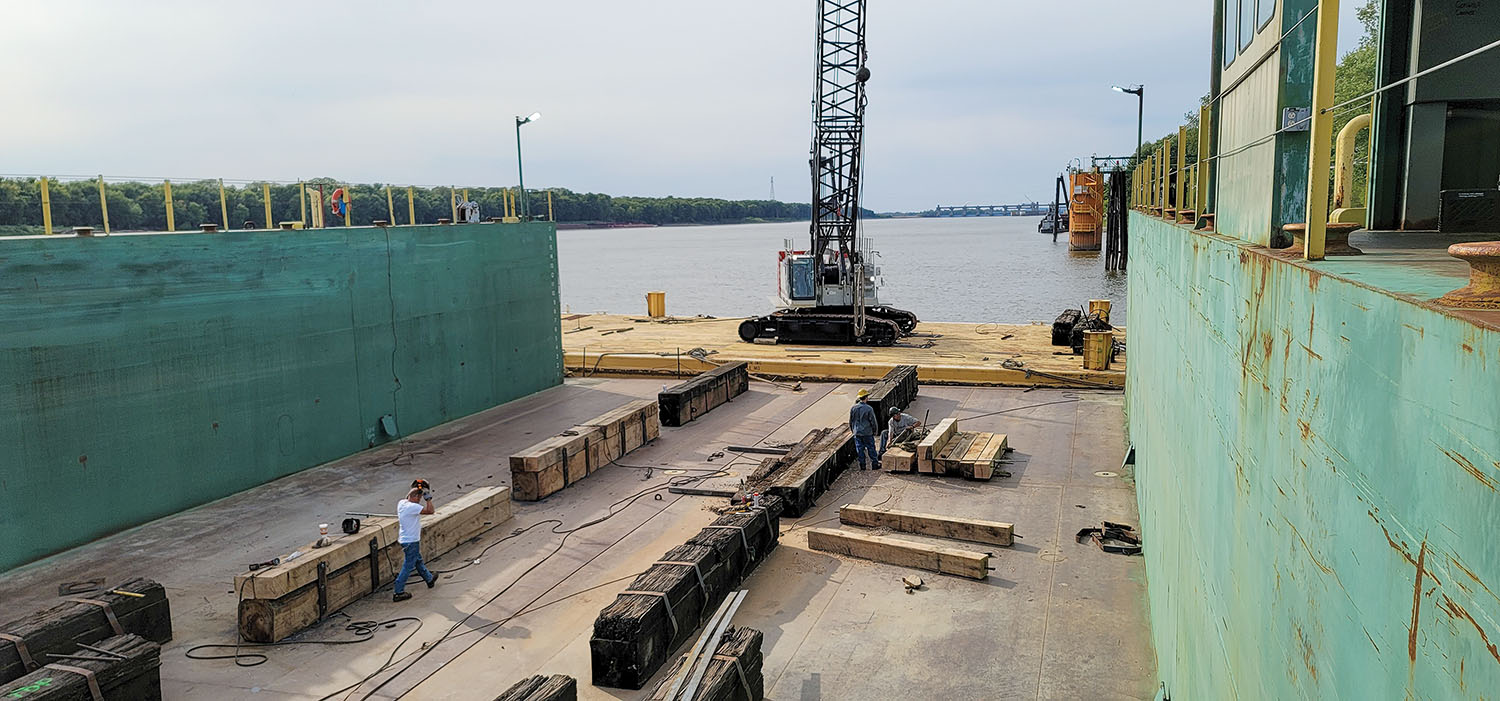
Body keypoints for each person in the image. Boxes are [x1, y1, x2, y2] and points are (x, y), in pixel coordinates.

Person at [393, 486, 436, 602]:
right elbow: (431, 511)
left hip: (405, 540)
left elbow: (409, 496)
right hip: (412, 541)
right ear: (416, 497)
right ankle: (398, 591)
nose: (420, 500)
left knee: (418, 560)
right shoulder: (413, 507)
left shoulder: (401, 503)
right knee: (408, 565)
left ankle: (429, 579)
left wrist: (416, 488)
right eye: (420, 498)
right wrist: (428, 499)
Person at [849, 389, 879, 470]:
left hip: (857, 432)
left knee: (860, 449)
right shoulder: (869, 409)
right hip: (867, 433)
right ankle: (875, 464)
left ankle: (862, 465)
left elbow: (851, 421)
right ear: (866, 397)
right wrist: (875, 431)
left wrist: (853, 430)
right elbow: (873, 421)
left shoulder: (853, 408)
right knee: (871, 448)